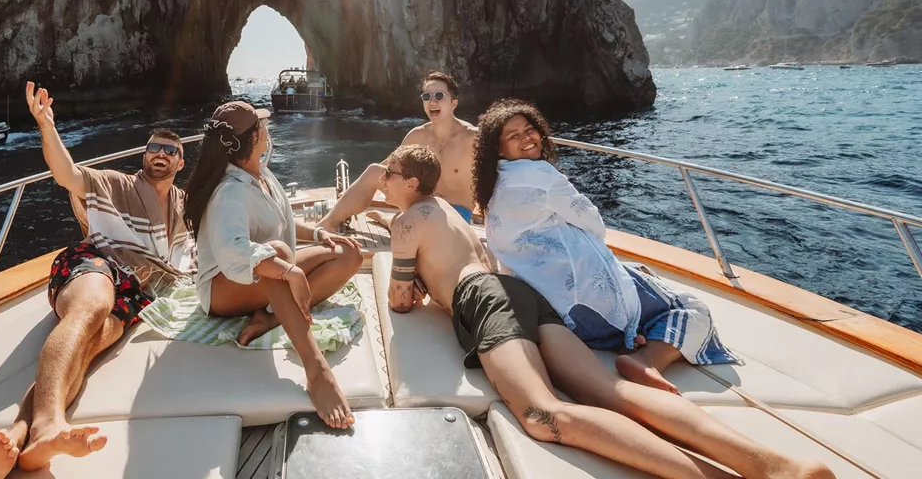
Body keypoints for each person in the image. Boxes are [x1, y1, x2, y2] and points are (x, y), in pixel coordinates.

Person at [383, 144, 833, 479]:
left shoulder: (406, 223)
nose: (382, 178)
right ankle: (775, 465)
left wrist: (414, 277)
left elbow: (400, 302)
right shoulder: (447, 209)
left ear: (411, 183)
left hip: (485, 300)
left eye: (389, 171)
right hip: (517, 293)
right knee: (609, 390)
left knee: (545, 415)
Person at [0, 81, 197, 479]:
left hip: (137, 294)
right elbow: (67, 174)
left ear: (180, 163)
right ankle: (47, 426)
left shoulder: (183, 205)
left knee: (90, 346)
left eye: (170, 151)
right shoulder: (118, 184)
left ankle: (17, 438)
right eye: (153, 148)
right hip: (96, 263)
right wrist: (47, 126)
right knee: (91, 307)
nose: (160, 154)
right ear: (143, 156)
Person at [472, 99, 738, 394]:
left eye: (530, 129)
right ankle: (646, 361)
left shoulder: (494, 186)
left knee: (638, 274)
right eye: (514, 135)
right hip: (589, 310)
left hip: (557, 312)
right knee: (692, 309)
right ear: (499, 148)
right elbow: (593, 223)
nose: (527, 137)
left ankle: (632, 332)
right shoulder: (541, 176)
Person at [185, 101, 364, 430]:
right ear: (255, 137)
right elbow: (234, 254)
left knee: (348, 254)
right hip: (223, 289)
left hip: (263, 278)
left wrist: (320, 233)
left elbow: (282, 221)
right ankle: (316, 371)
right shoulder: (229, 193)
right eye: (262, 125)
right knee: (277, 255)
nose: (268, 129)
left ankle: (269, 318)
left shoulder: (260, 174)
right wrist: (290, 270)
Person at [317, 71, 477, 233]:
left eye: (439, 96)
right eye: (427, 97)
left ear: (453, 104)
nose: (432, 102)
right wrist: (352, 193)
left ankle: (391, 221)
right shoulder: (417, 135)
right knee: (374, 171)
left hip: (455, 215)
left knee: (413, 225)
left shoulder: (472, 137)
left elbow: (495, 179)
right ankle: (326, 225)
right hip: (419, 206)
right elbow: (387, 167)